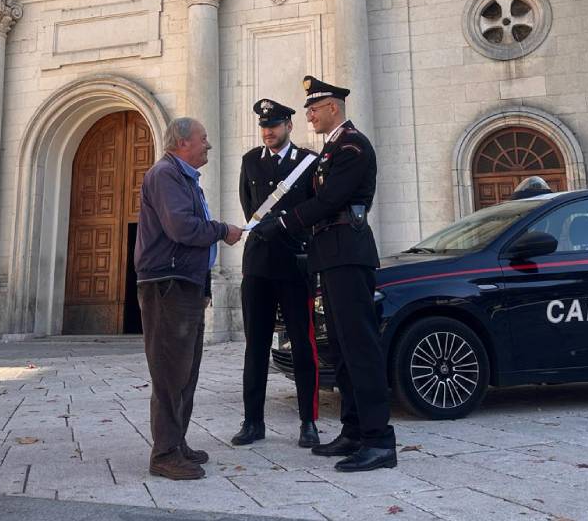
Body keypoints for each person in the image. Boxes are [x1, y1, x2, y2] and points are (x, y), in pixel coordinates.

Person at [253, 76, 397, 472]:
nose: (309, 116)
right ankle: (354, 430)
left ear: (332, 107)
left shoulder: (352, 146)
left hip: (348, 255)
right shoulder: (332, 149)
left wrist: (282, 224)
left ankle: (379, 440)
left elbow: (331, 200)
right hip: (330, 256)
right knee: (342, 348)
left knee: (360, 346)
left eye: (313, 109)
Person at [134, 117, 243, 481]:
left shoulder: (185, 179)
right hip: (168, 285)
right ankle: (163, 454)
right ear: (182, 143)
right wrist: (222, 231)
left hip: (186, 284)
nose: (208, 145)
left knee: (186, 371)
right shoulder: (165, 175)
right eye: (203, 138)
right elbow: (181, 228)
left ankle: (176, 442)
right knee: (170, 372)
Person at [232, 98, 321, 448]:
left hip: (295, 263)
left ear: (289, 126)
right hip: (258, 265)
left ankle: (308, 422)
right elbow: (248, 208)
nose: (268, 132)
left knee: (303, 344)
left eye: (275, 125)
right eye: (264, 127)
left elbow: (315, 209)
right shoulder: (250, 162)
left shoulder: (308, 163)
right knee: (255, 345)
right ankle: (253, 421)